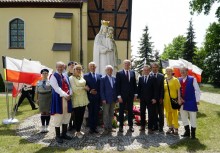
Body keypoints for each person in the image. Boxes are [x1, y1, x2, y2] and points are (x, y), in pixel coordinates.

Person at [50, 61, 72, 143]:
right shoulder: (53, 76)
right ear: (56, 67)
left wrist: (70, 94)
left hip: (67, 99)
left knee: (67, 116)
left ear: (64, 68)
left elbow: (69, 86)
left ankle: (64, 134)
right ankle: (58, 136)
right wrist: (66, 95)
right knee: (58, 117)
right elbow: (56, 88)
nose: (60, 68)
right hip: (59, 99)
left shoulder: (65, 76)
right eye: (58, 67)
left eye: (62, 67)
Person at [179, 67, 201, 139]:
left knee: (193, 118)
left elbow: (197, 90)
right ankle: (187, 132)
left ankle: (193, 134)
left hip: (191, 101)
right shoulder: (179, 79)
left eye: (184, 71)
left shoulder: (192, 79)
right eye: (181, 71)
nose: (182, 72)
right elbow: (177, 91)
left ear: (187, 72)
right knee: (183, 117)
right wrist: (180, 99)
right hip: (182, 102)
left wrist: (197, 100)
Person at [116, 59, 137, 132]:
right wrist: (119, 96)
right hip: (122, 96)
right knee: (121, 111)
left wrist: (135, 95)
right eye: (125, 64)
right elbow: (117, 85)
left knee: (130, 111)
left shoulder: (133, 73)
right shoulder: (119, 73)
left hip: (130, 96)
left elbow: (134, 84)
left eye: (128, 64)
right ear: (123, 65)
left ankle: (131, 126)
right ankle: (121, 126)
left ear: (130, 65)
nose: (127, 65)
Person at [69, 64, 89, 138]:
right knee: (77, 116)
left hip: (83, 99)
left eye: (80, 69)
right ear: (74, 70)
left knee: (81, 116)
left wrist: (82, 87)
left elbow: (80, 87)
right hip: (76, 99)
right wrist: (84, 88)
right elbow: (74, 89)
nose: (78, 70)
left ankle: (79, 130)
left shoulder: (81, 77)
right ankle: (77, 132)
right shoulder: (71, 78)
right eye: (77, 69)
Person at [84, 62, 102, 134]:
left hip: (97, 97)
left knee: (96, 113)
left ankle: (95, 127)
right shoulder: (85, 76)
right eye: (91, 66)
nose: (92, 67)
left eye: (94, 66)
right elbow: (84, 85)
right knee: (91, 113)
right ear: (89, 67)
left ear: (96, 67)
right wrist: (90, 91)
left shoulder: (99, 75)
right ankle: (91, 128)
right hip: (89, 97)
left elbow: (101, 86)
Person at [138, 65, 157, 133]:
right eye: (144, 70)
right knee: (142, 113)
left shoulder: (153, 78)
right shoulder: (141, 78)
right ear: (143, 71)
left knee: (151, 113)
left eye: (147, 70)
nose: (146, 71)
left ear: (149, 70)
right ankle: (142, 126)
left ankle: (150, 128)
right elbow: (139, 89)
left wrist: (155, 98)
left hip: (151, 99)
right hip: (142, 99)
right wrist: (139, 97)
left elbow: (155, 89)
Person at [163, 67, 181, 135]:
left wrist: (179, 99)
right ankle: (170, 127)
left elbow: (178, 90)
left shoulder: (175, 79)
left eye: (170, 71)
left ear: (172, 72)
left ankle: (176, 128)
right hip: (166, 99)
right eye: (167, 71)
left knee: (174, 113)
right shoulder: (164, 80)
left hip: (173, 98)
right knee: (168, 113)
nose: (168, 72)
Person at [100, 65, 117, 135]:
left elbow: (115, 89)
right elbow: (102, 90)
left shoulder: (114, 78)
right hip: (106, 100)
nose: (110, 71)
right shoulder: (103, 79)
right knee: (106, 114)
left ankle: (110, 127)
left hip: (113, 99)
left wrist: (116, 98)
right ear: (106, 71)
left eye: (111, 70)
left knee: (111, 114)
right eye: (108, 70)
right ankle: (106, 128)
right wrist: (103, 98)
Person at [36, 69, 52, 133]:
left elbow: (52, 90)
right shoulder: (38, 82)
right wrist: (37, 99)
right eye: (43, 73)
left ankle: (47, 126)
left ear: (48, 74)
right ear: (41, 74)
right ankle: (43, 126)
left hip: (48, 97)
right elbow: (36, 91)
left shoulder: (50, 81)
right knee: (42, 112)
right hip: (41, 97)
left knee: (48, 112)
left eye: (46, 73)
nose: (45, 74)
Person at [150, 62, 164, 132]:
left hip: (160, 98)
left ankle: (161, 127)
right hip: (152, 99)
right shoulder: (149, 75)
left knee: (161, 113)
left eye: (156, 67)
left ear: (158, 68)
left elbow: (162, 88)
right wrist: (152, 98)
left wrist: (161, 98)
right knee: (154, 113)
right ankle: (155, 126)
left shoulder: (161, 76)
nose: (154, 69)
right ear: (151, 68)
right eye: (153, 67)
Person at [66, 61, 78, 131]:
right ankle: (70, 124)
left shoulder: (77, 74)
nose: (72, 67)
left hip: (76, 95)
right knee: (70, 111)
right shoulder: (66, 75)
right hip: (69, 95)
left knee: (76, 111)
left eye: (73, 66)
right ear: (68, 67)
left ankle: (75, 124)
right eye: (71, 66)